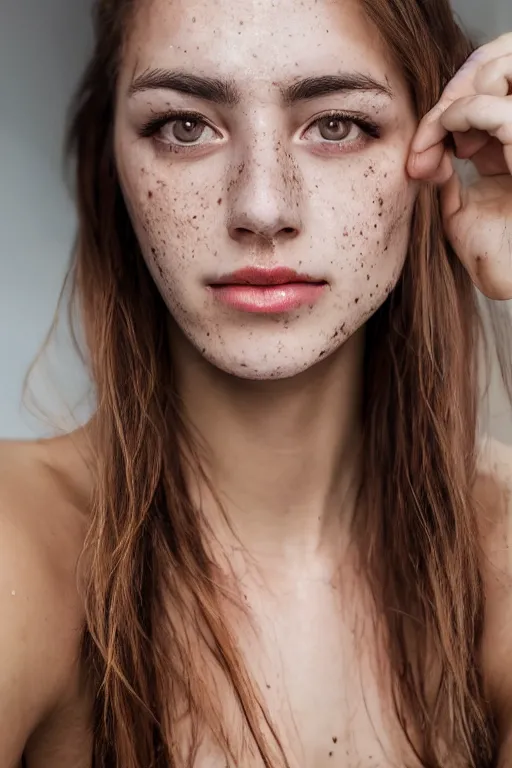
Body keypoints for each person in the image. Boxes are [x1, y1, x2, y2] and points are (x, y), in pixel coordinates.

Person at [1, 0, 512, 764]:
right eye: (184, 126)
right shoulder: (19, 546)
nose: (261, 207)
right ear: (110, 162)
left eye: (336, 125)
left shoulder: (501, 554)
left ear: (443, 144)